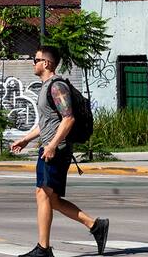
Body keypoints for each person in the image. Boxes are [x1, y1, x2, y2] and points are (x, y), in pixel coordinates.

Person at [10, 45, 109, 257]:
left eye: (35, 60)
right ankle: (95, 225)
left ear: (46, 63)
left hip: (56, 150)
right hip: (50, 148)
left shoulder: (56, 87)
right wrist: (26, 139)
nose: (33, 63)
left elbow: (68, 118)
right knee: (51, 199)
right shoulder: (46, 87)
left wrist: (53, 145)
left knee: (42, 194)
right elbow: (47, 123)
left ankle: (43, 248)